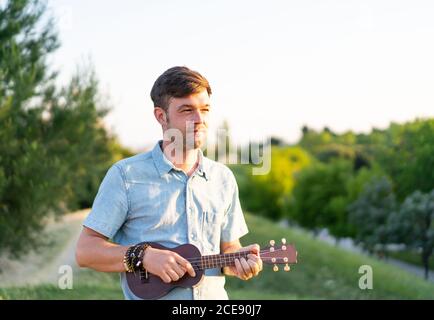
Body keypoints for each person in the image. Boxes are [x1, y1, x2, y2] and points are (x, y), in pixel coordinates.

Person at [75, 66, 263, 300]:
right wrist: (143, 256)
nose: (199, 120)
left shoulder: (223, 178)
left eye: (205, 109)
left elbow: (229, 249)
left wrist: (238, 261)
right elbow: (86, 252)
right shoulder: (126, 175)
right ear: (161, 116)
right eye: (187, 110)